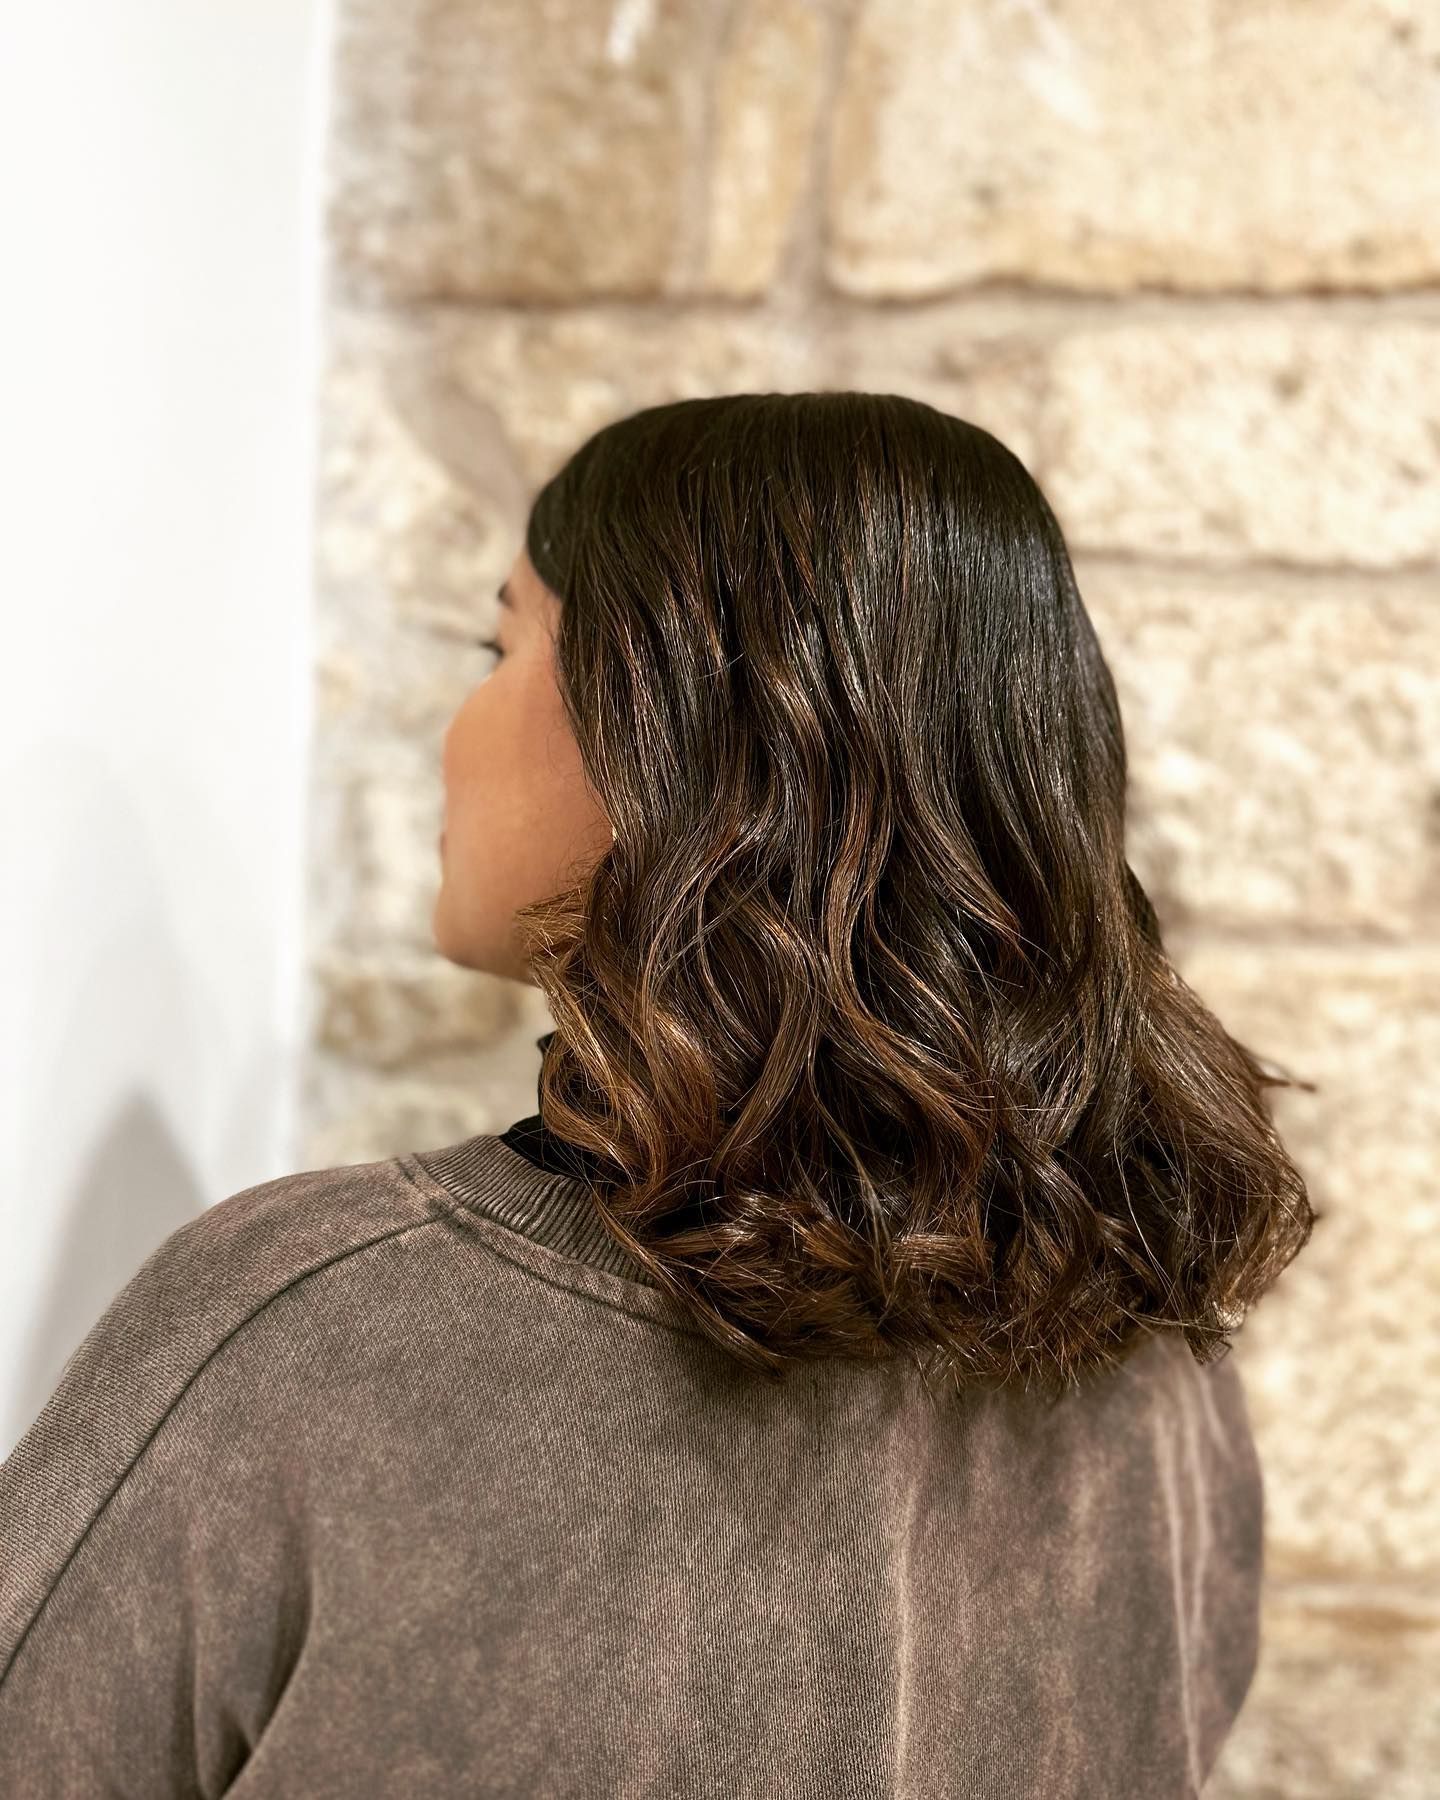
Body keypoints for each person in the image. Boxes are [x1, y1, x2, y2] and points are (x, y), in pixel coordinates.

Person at [0, 392, 1315, 1797]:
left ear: (672, 724)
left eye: (499, 643)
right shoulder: (1154, 1366)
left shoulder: (317, 1327)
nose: (453, 724)